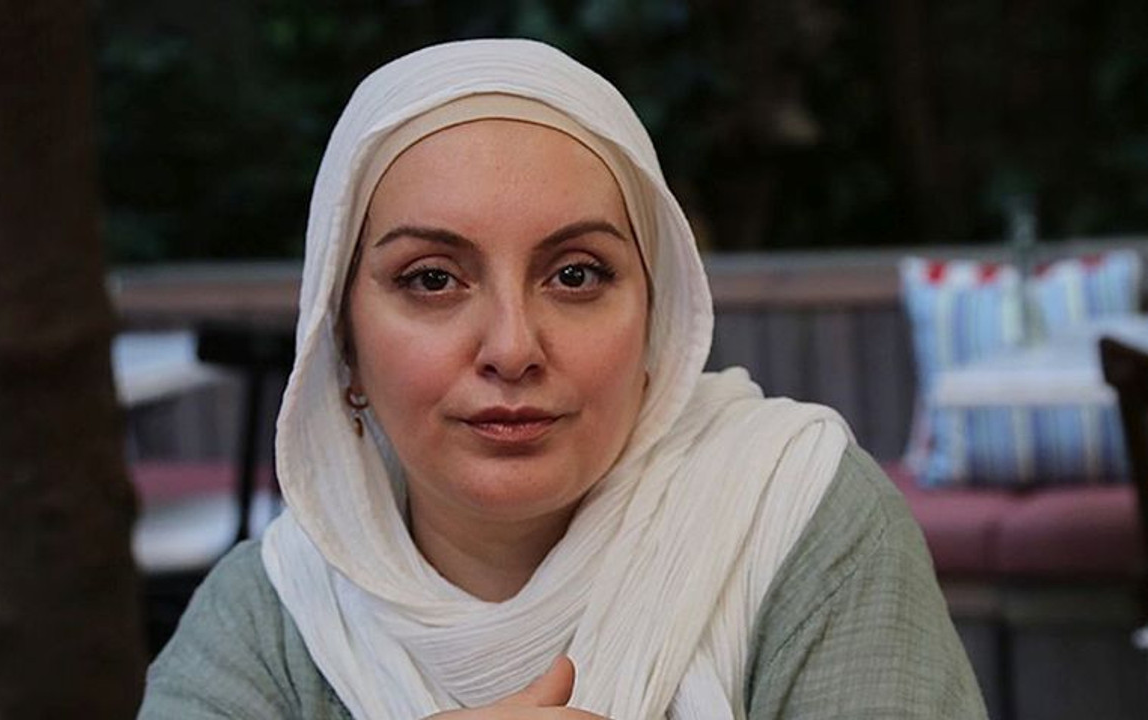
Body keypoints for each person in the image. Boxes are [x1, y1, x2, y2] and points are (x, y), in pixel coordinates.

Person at [139, 38, 986, 719]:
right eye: (432, 279)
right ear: (344, 346)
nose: (512, 348)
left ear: (657, 322)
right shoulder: (277, 613)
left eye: (576, 275)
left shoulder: (796, 517)